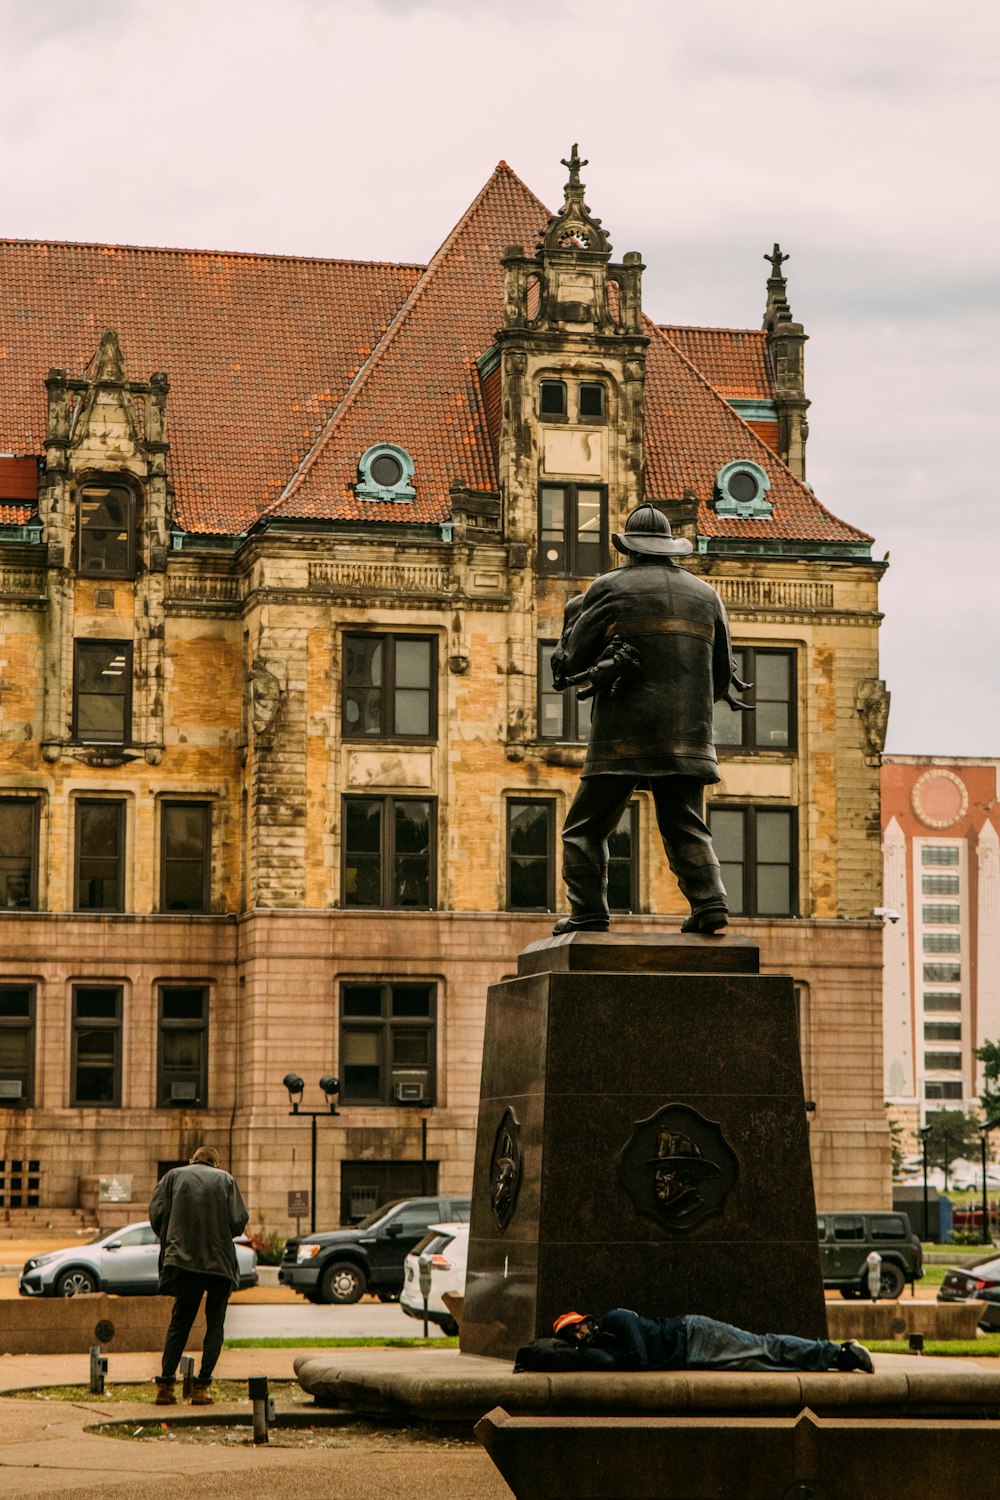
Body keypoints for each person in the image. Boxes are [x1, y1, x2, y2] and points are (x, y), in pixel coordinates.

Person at [550, 503, 750, 936]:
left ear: (628, 547)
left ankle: (588, 911)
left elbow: (567, 664)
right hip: (690, 738)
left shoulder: (607, 589)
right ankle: (710, 902)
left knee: (584, 828)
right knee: (685, 824)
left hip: (622, 737)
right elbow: (722, 675)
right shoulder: (706, 594)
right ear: (670, 548)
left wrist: (571, 620)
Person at [149, 1145, 249, 1405]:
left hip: (183, 1262)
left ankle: (166, 1386)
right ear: (215, 1164)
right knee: (215, 1324)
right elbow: (239, 1222)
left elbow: (156, 1213)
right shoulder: (226, 1180)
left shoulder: (172, 1177)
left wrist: (172, 1236)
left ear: (192, 1160)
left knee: (179, 1323)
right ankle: (202, 1388)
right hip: (219, 1264)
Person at [551, 1308, 874, 1374]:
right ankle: (841, 1361)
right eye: (571, 1336)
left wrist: (598, 1355)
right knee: (765, 1364)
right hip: (690, 1357)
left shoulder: (617, 1318)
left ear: (588, 1320)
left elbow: (639, 1360)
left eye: (577, 1328)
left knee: (766, 1346)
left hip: (695, 1334)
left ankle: (839, 1351)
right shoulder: (603, 1346)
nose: (578, 1335)